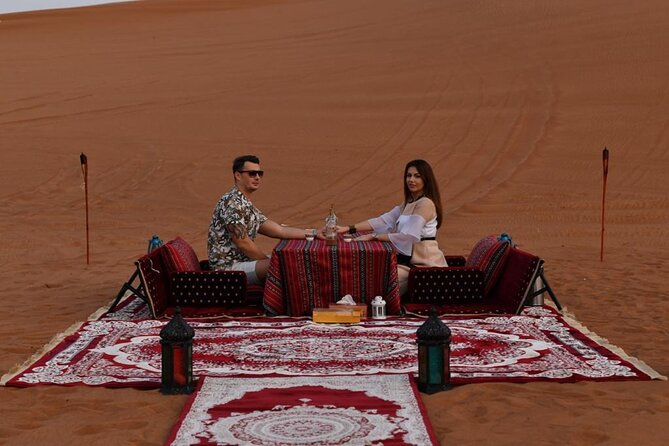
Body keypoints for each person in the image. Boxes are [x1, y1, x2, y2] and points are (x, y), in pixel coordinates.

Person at [335, 159, 448, 295]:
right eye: (408, 175)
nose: (411, 180)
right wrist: (348, 228)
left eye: (417, 176)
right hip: (407, 262)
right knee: (373, 273)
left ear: (426, 179)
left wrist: (374, 236)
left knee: (381, 281)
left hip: (423, 266)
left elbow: (409, 235)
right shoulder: (408, 202)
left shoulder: (425, 204)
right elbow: (383, 221)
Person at [208, 155, 312, 284]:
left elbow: (279, 231)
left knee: (289, 259)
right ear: (238, 175)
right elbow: (243, 243)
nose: (257, 177)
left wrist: (314, 233)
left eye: (259, 173)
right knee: (285, 265)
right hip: (228, 269)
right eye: (252, 173)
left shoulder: (243, 203)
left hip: (242, 263)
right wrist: (269, 262)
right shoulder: (232, 203)